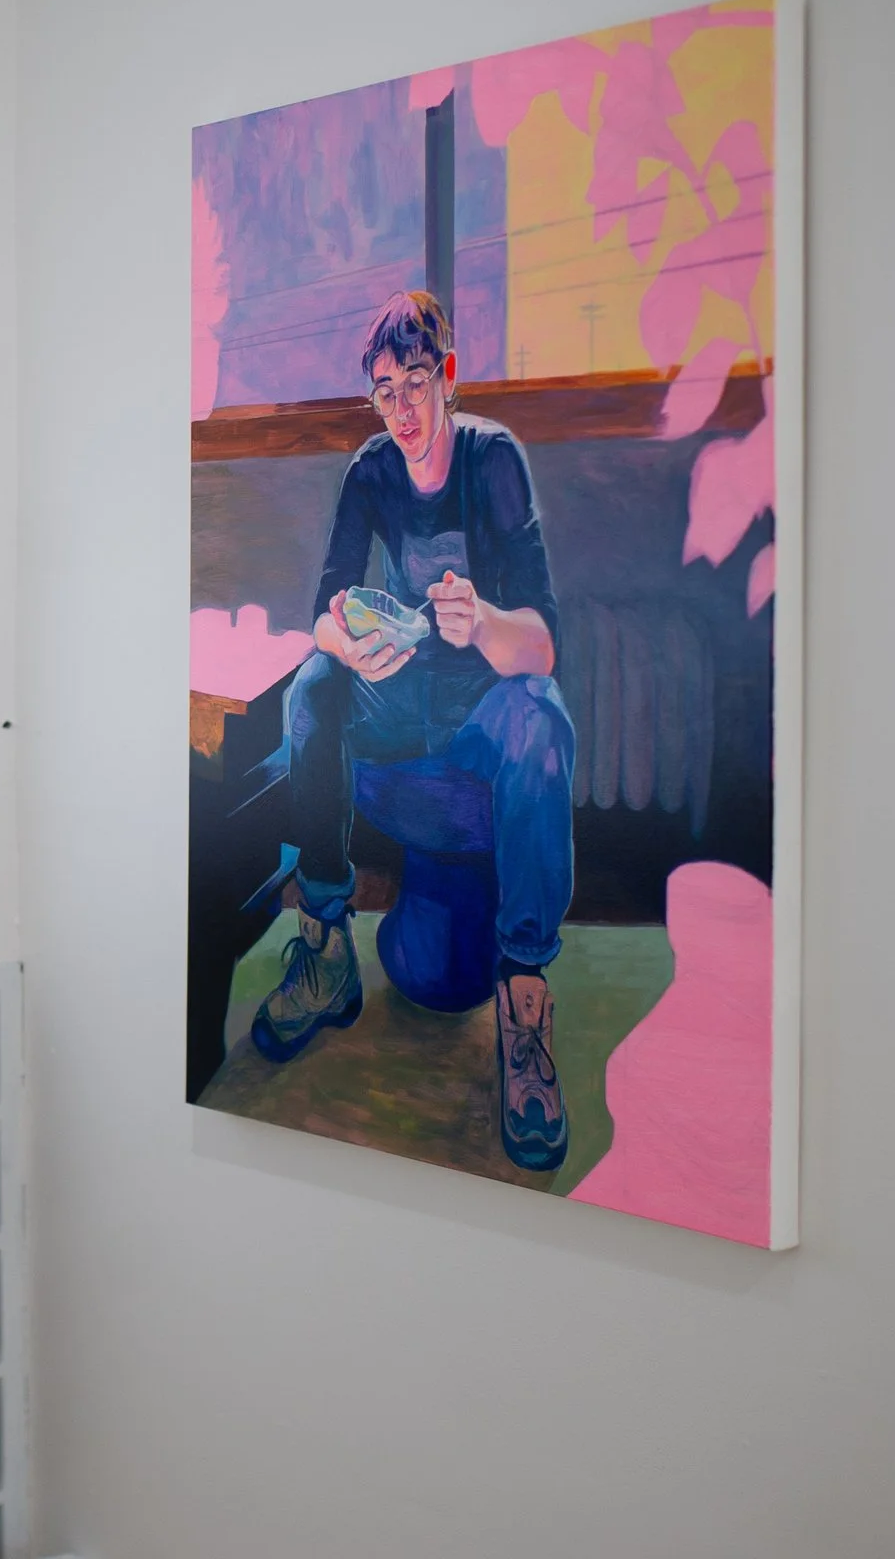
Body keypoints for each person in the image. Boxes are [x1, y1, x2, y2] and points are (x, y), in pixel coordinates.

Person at [253, 290, 578, 1172]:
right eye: (384, 391)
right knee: (311, 688)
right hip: (396, 696)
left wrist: (486, 623)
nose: (401, 409)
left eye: (416, 383)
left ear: (450, 378)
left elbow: (543, 644)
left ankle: (524, 998)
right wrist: (349, 647)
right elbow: (323, 608)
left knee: (543, 719)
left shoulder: (492, 461)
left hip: (482, 709)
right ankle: (327, 946)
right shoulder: (371, 470)